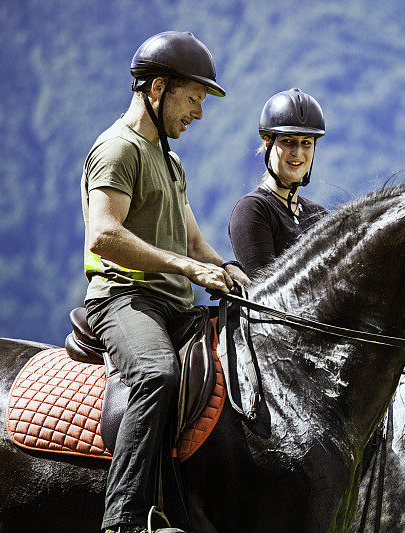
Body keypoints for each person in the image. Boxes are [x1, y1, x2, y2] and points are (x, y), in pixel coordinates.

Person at [80, 31, 249, 533]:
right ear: (157, 88)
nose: (197, 114)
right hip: (124, 300)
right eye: (192, 99)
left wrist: (228, 269)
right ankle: (123, 519)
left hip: (173, 304)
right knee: (156, 375)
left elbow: (195, 244)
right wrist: (188, 270)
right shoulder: (117, 150)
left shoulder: (170, 159)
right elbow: (104, 236)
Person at [228, 88, 328, 276]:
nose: (297, 152)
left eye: (306, 143)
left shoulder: (319, 215)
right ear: (268, 142)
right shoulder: (252, 209)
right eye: (288, 141)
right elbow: (266, 293)